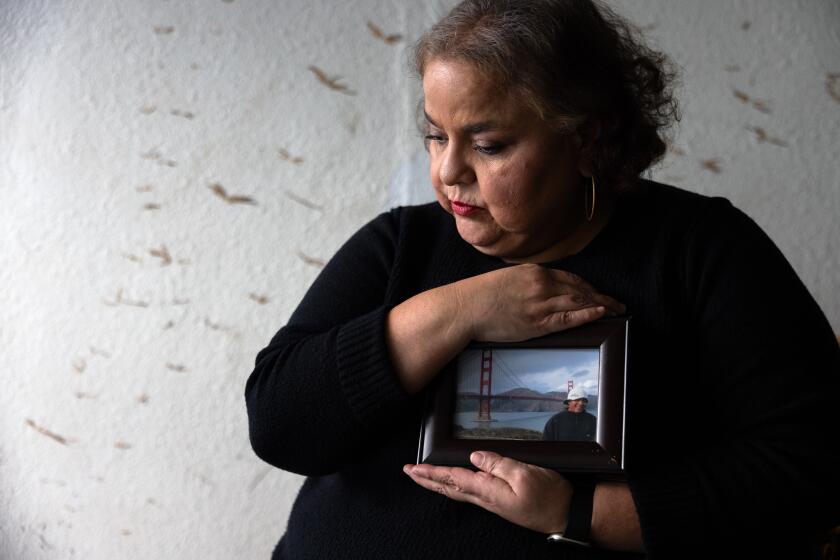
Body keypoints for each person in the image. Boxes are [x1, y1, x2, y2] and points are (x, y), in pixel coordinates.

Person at [244, 0, 840, 558]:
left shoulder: (701, 249)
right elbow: (279, 427)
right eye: (435, 135)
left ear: (586, 140)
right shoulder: (400, 244)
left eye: (488, 144)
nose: (449, 171)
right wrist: (460, 310)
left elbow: (812, 465)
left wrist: (579, 512)